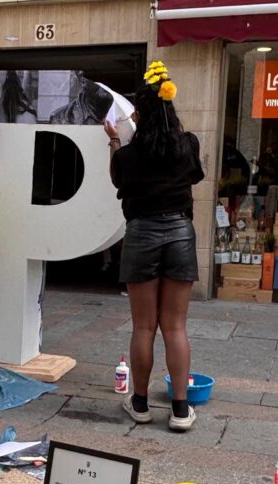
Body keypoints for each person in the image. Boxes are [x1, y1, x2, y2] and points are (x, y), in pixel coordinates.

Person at [106, 61, 204, 431]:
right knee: (175, 327)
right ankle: (180, 410)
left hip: (142, 234)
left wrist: (114, 141)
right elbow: (195, 174)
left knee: (144, 327)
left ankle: (141, 403)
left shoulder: (129, 155)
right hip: (180, 232)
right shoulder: (187, 144)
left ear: (140, 114)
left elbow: (117, 180)